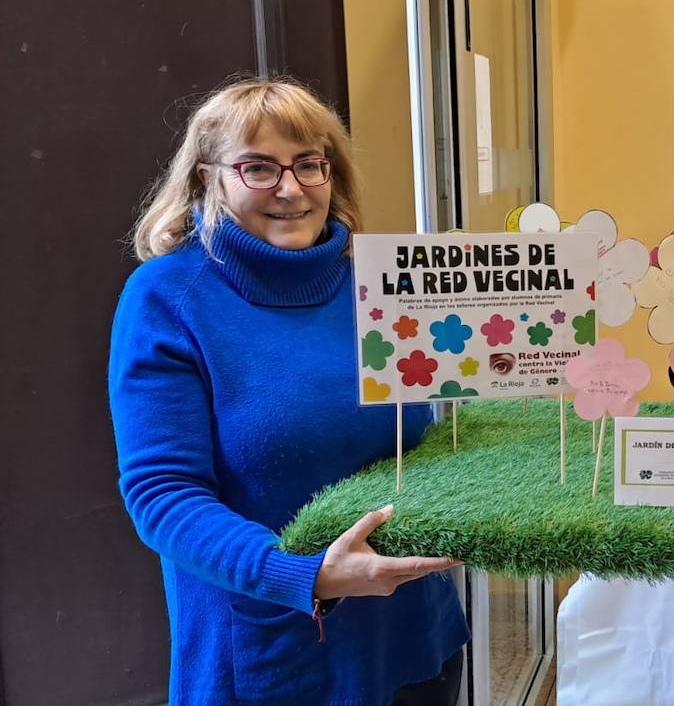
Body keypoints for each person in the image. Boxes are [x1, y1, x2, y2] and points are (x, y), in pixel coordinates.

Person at [109, 78, 469, 705]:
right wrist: (305, 576)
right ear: (207, 178)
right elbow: (162, 495)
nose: (292, 187)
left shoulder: (382, 285)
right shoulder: (169, 300)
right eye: (258, 167)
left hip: (415, 636)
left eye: (309, 163)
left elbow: (420, 447)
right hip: (280, 650)